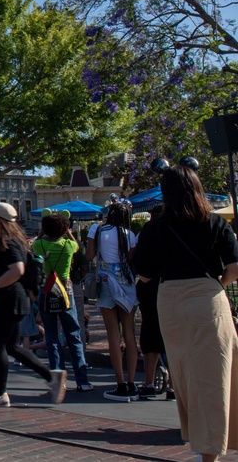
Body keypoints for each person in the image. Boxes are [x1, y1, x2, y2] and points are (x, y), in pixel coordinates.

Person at [134, 160, 238, 462]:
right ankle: (211, 452)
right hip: (208, 297)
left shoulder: (155, 228)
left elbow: (144, 274)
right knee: (216, 374)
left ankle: (202, 444)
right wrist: (218, 282)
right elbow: (234, 268)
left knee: (185, 376)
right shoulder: (215, 222)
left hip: (171, 301)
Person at [0, 201, 66, 407]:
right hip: (16, 299)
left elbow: (17, 270)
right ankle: (50, 376)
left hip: (9, 300)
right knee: (11, 346)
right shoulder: (14, 241)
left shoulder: (7, 242)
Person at [32, 213, 93, 392]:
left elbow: (35, 245)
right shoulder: (69, 245)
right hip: (66, 292)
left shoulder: (40, 244)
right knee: (73, 335)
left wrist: (43, 231)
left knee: (51, 337)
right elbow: (79, 247)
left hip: (47, 291)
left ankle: (58, 379)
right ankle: (82, 380)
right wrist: (67, 231)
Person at [87, 200, 139, 401]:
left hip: (106, 280)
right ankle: (133, 383)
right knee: (129, 334)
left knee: (113, 335)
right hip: (126, 282)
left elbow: (90, 255)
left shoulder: (97, 229)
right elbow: (131, 261)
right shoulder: (130, 235)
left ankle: (120, 384)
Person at [133, 204, 172, 400]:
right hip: (174, 286)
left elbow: (140, 265)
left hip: (151, 288)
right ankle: (174, 386)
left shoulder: (149, 232)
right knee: (173, 337)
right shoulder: (179, 229)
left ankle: (149, 383)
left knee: (150, 334)